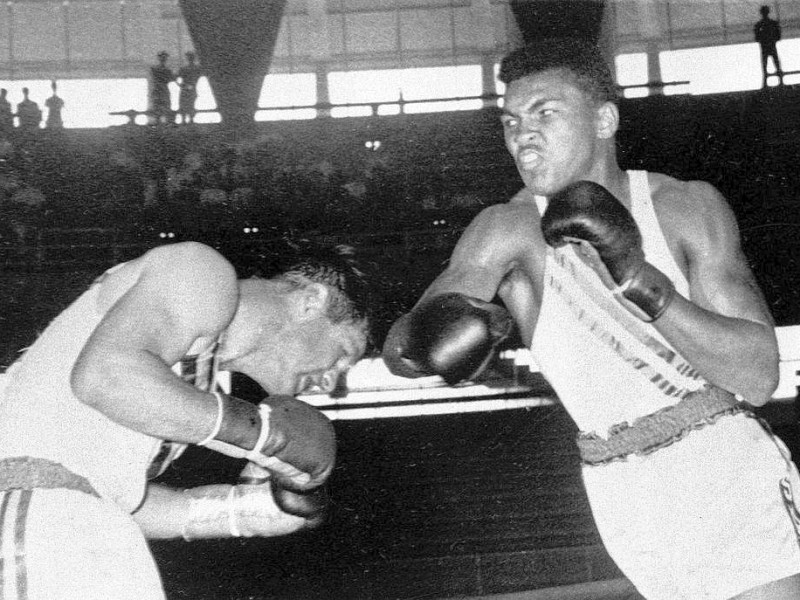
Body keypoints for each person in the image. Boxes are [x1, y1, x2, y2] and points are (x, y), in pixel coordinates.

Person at [383, 38, 800, 600]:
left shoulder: (683, 207)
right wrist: (426, 341)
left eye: (544, 114)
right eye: (510, 121)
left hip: (720, 460)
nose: (522, 135)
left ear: (604, 119)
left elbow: (758, 374)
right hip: (616, 480)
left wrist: (638, 280)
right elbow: (401, 349)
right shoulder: (504, 230)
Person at [0, 240, 372, 600]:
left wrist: (245, 510)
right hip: (40, 514)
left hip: (78, 524)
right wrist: (263, 436)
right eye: (343, 354)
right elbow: (103, 378)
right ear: (311, 301)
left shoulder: (191, 382)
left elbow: (113, 497)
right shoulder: (200, 271)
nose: (333, 384)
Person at [755, 5, 784, 87]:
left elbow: (757, 37)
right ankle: (780, 79)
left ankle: (765, 82)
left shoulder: (759, 25)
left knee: (765, 64)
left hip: (765, 46)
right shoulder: (773, 23)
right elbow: (778, 35)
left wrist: (763, 39)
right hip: (771, 45)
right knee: (776, 62)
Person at [150, 50, 175, 125]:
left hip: (160, 89)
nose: (163, 59)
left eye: (164, 58)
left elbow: (170, 78)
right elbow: (171, 79)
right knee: (159, 106)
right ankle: (160, 121)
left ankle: (161, 121)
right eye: (163, 58)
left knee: (162, 106)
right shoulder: (162, 69)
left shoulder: (155, 69)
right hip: (161, 89)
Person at [177, 51, 203, 125]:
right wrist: (182, 85)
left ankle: (187, 120)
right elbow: (177, 79)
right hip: (188, 88)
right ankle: (186, 120)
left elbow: (176, 78)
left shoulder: (185, 69)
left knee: (188, 104)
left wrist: (181, 85)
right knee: (187, 104)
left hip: (187, 88)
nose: (189, 58)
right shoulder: (194, 69)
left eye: (190, 57)